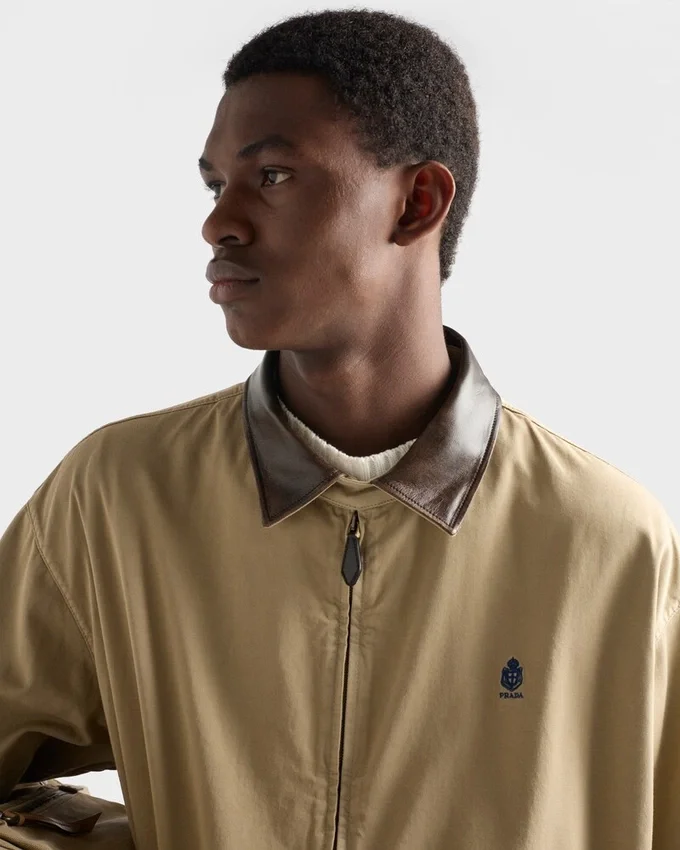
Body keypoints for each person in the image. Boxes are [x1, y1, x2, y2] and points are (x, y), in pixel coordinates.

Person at [1, 8, 678, 850]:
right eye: (215, 185)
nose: (219, 223)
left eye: (273, 175)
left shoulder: (608, 541)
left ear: (416, 203)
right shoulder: (118, 495)